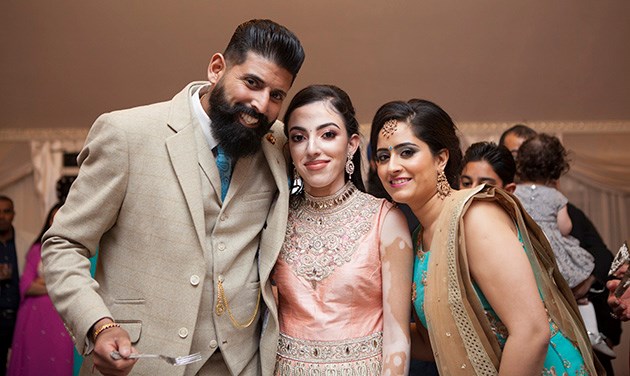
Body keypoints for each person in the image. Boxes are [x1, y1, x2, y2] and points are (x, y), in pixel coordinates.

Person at [41, 19, 305, 376]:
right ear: (217, 69)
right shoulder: (127, 134)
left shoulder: (278, 145)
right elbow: (63, 245)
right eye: (252, 82)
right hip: (142, 361)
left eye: (277, 95)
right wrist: (98, 325)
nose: (261, 104)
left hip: (240, 364)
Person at [370, 99, 601, 375]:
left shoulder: (475, 217)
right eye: (384, 156)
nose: (392, 166)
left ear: (441, 159)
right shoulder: (419, 238)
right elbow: (438, 342)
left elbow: (531, 331)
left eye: (407, 152)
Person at [273, 85, 412, 375]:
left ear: (352, 144)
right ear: (290, 149)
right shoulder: (275, 217)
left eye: (328, 134)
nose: (312, 148)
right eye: (299, 137)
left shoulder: (384, 220)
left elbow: (397, 337)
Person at [7, 202, 74, 376]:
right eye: (55, 218)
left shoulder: (81, 251)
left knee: (61, 362)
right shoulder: (38, 249)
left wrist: (43, 282)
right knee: (34, 363)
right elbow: (27, 286)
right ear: (49, 221)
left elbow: (78, 283)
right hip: (34, 317)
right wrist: (58, 283)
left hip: (64, 319)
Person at [0, 195, 32, 376]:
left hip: (21, 314)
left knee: (21, 364)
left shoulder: (29, 240)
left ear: (13, 214)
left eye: (6, 211)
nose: (2, 216)